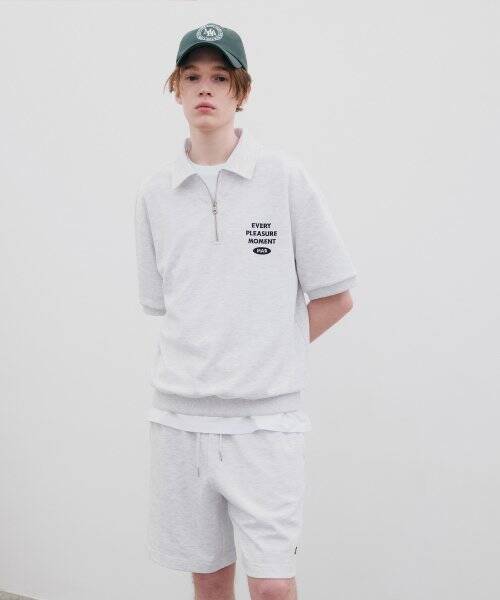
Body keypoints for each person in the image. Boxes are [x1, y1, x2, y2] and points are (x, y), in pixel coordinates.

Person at [134, 22, 358, 600]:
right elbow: (163, 304)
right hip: (181, 420)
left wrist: (269, 350)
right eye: (192, 77)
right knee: (209, 581)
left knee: (272, 586)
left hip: (265, 424)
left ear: (241, 91)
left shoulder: (283, 179)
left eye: (219, 77)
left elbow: (336, 296)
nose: (205, 89)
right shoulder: (156, 195)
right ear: (177, 90)